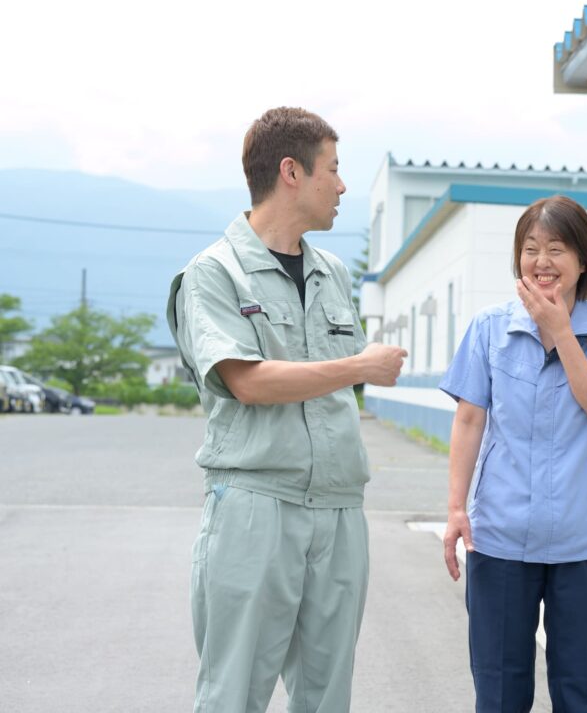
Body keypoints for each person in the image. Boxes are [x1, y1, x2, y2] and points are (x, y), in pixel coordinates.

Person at [166, 106, 407, 713]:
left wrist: (353, 369)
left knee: (327, 697)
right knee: (234, 694)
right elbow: (246, 381)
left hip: (339, 506)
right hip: (256, 503)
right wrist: (359, 367)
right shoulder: (214, 274)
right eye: (334, 169)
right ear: (292, 172)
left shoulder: (332, 272)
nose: (343, 186)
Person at [439, 195, 587, 713]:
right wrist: (456, 508)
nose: (541, 261)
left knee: (579, 693)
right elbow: (469, 419)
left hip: (584, 544)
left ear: (583, 261)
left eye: (556, 249)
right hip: (500, 540)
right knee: (499, 694)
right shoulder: (490, 327)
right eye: (530, 249)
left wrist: (561, 332)